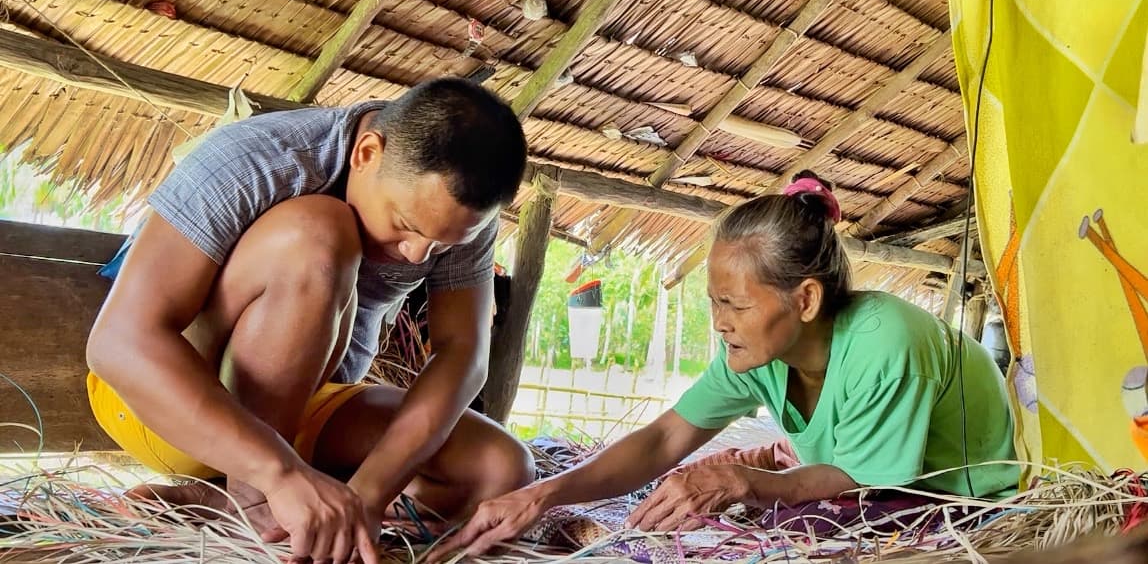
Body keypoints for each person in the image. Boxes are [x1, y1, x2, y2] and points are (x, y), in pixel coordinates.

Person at [432, 171, 1019, 560]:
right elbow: (666, 437)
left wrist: (750, 481)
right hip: (871, 491)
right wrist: (543, 495)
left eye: (734, 305)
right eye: (714, 303)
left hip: (957, 502)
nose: (719, 322)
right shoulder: (756, 355)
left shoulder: (888, 341)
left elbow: (867, 483)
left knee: (782, 540)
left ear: (806, 300)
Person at [85, 77, 535, 564]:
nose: (417, 254)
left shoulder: (451, 211)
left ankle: (225, 503)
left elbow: (462, 353)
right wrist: (278, 475)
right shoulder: (259, 157)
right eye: (406, 225)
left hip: (304, 414)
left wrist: (370, 491)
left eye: (442, 244)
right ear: (366, 152)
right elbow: (117, 344)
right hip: (163, 408)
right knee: (319, 233)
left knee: (500, 468)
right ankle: (252, 506)